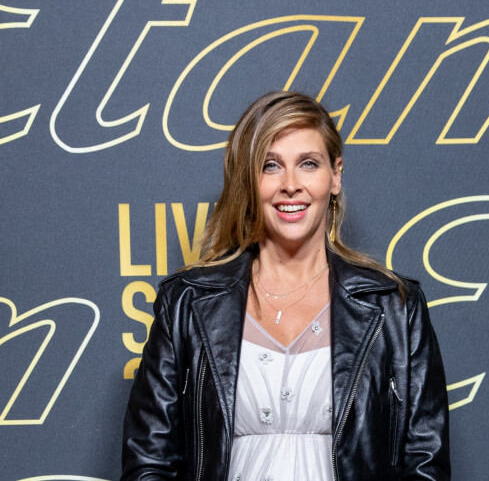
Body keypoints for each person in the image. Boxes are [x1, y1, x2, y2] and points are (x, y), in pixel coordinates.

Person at [121, 91, 450, 481]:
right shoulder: (187, 303)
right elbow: (149, 462)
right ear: (249, 179)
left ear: (335, 175)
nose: (290, 185)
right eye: (270, 166)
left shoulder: (395, 307)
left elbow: (425, 464)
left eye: (308, 164)